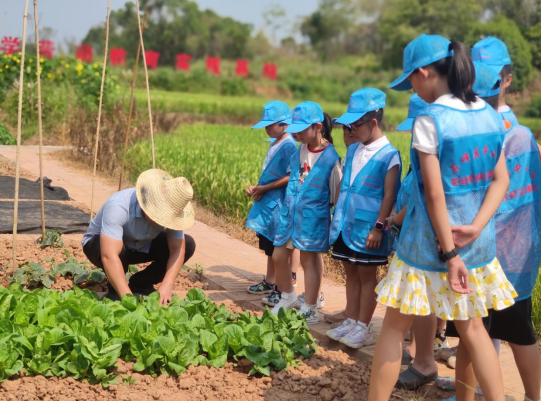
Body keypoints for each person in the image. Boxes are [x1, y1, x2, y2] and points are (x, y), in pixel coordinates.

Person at [368, 34, 515, 401]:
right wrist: (475, 229)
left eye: (411, 82)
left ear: (423, 73)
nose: (413, 90)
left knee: (392, 328)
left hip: (427, 247)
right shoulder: (488, 113)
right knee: (474, 330)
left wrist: (449, 254)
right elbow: (502, 180)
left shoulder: (430, 120)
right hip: (477, 245)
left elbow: (434, 194)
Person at [436, 62, 541, 401]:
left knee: (497, 330)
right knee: (489, 330)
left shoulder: (498, 135)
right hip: (497, 248)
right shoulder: (512, 133)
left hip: (495, 250)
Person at [326, 88, 401, 349]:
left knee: (367, 275)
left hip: (369, 228)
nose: (351, 130)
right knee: (351, 272)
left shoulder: (390, 155)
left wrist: (379, 227)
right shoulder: (355, 149)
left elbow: (389, 196)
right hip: (346, 225)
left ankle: (364, 326)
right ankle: (352, 318)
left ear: (373, 122)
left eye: (355, 124)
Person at [390, 95, 451, 389]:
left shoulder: (432, 158)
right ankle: (423, 356)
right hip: (423, 237)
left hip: (427, 240)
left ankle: (422, 356)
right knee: (422, 302)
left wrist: (393, 221)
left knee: (418, 302)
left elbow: (425, 198)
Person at [270, 101, 342, 324]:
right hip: (291, 214)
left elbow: (335, 194)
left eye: (301, 129)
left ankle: (310, 307)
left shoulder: (331, 158)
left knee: (309, 261)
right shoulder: (300, 149)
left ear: (318, 127)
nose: (297, 134)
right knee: (278, 256)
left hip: (313, 218)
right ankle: (288, 297)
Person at [82, 169, 197, 306]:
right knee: (119, 251)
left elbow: (177, 249)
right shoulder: (119, 205)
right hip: (100, 245)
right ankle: (115, 290)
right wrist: (129, 300)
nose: (161, 221)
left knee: (188, 244)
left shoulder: (173, 208)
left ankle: (141, 283)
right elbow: (109, 255)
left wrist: (167, 284)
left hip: (140, 244)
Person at [245, 101, 301, 307]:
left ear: (284, 124)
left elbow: (290, 176)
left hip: (278, 203)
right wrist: (258, 187)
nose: (267, 128)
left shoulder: (287, 146)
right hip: (269, 202)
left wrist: (264, 188)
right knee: (270, 245)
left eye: (270, 124)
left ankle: (281, 288)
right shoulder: (276, 141)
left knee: (279, 248)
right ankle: (270, 281)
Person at [324, 115, 363, 326]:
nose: (345, 135)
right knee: (349, 270)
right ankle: (350, 312)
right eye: (344, 130)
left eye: (348, 130)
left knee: (361, 274)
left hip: (359, 222)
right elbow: (342, 186)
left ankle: (359, 319)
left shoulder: (371, 155)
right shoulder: (350, 154)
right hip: (344, 219)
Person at [472, 36, 518, 126]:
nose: (482, 83)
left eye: (490, 78)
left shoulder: (507, 124)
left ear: (507, 80)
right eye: (476, 76)